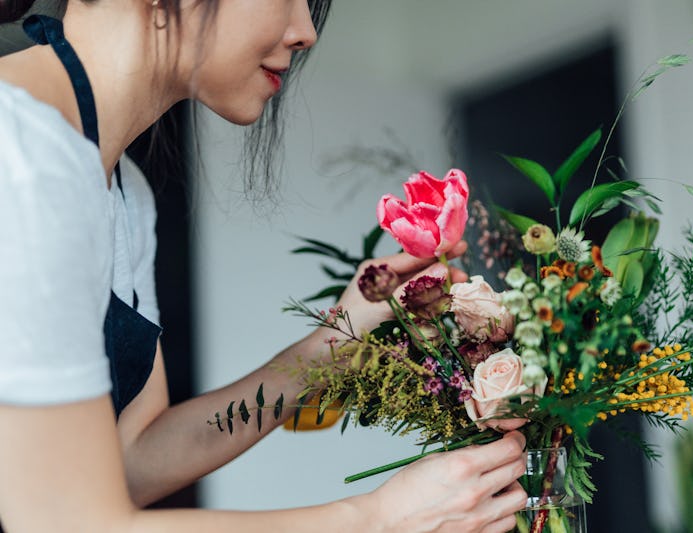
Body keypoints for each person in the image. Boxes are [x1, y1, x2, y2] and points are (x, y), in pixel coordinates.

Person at [0, 1, 528, 532]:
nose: (305, 33)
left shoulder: (123, 194)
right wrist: (379, 520)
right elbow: (66, 521)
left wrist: (337, 343)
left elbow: (133, 460)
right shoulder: (21, 155)